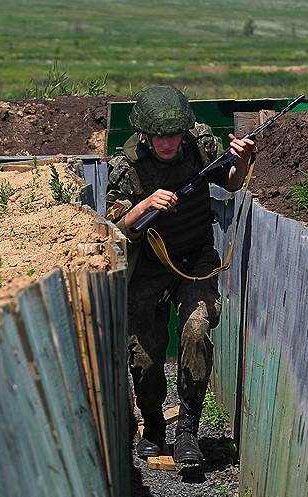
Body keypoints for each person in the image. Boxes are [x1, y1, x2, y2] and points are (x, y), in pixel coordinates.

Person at [104, 85, 254, 464]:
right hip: (151, 264)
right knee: (146, 357)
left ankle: (188, 430)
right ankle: (153, 425)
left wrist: (242, 160)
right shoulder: (128, 168)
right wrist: (145, 204)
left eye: (174, 134)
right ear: (143, 134)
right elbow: (115, 224)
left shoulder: (199, 145)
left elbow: (231, 182)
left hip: (196, 259)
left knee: (195, 330)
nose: (168, 143)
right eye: (160, 136)